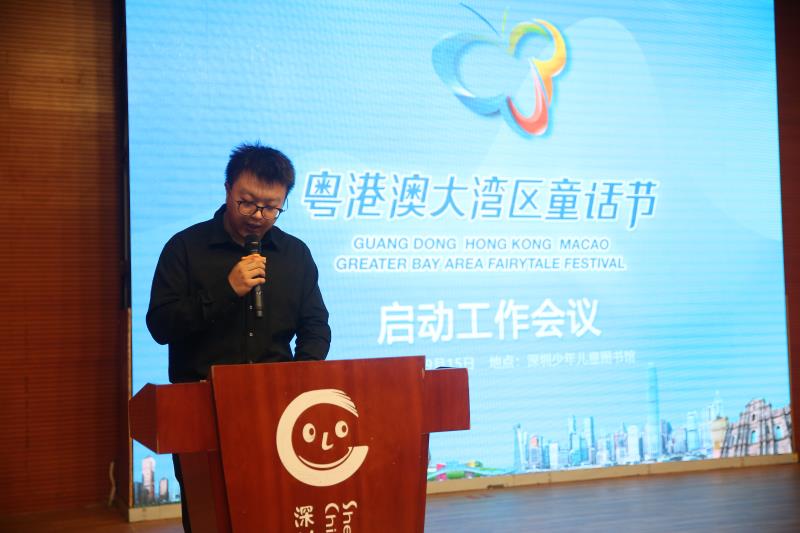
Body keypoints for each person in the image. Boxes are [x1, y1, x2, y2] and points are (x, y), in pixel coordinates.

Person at [146, 142, 331, 532]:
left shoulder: (295, 255)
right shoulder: (185, 248)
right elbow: (160, 326)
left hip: (278, 410)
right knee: (209, 517)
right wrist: (225, 290)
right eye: (247, 203)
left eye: (271, 207)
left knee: (277, 512)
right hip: (201, 411)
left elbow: (315, 325)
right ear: (228, 189)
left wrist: (302, 377)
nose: (258, 216)